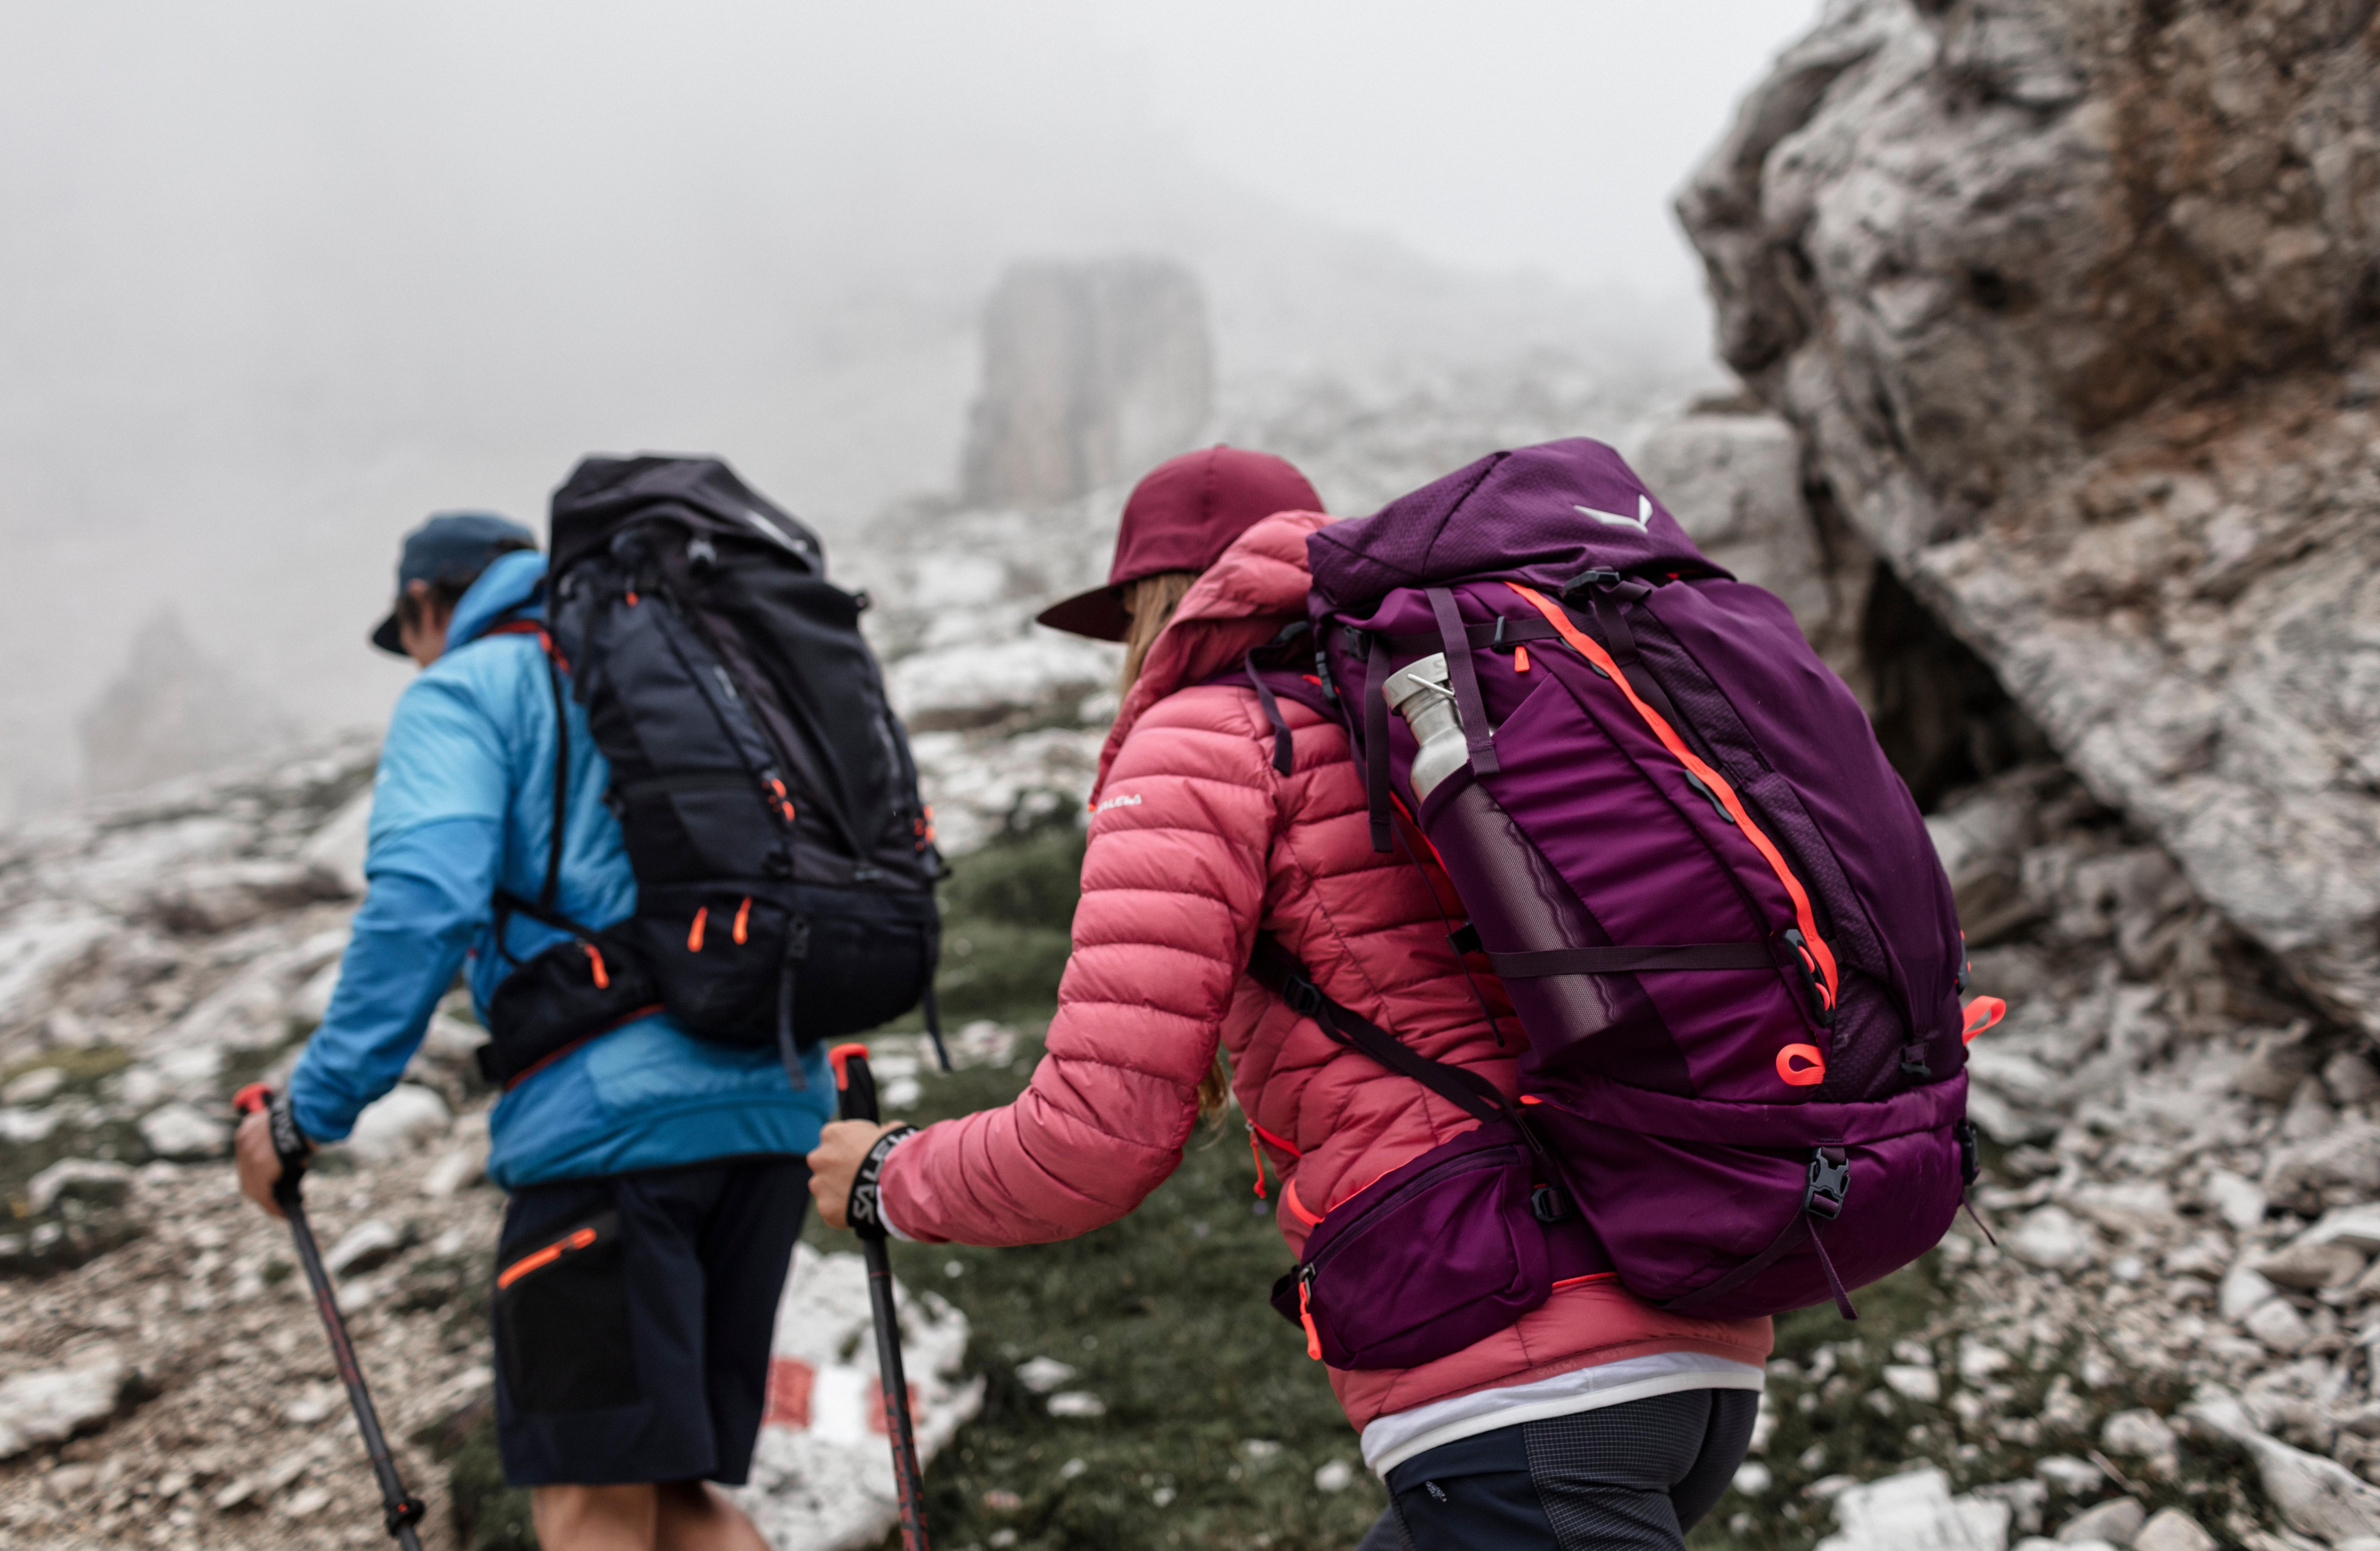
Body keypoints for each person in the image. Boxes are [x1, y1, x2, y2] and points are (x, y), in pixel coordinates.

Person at [806, 445, 1773, 1551]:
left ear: (1160, 604)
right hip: (1689, 1331)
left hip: (1511, 1366)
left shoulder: (1207, 739)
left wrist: (890, 1176)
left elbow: (1097, 1138)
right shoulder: (1439, 697)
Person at [236, 511, 831, 1551]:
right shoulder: (682, 669)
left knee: (591, 1498)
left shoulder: (470, 689)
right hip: (774, 1116)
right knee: (675, 1494)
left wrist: (306, 1115)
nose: (416, 659)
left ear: (427, 605)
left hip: (608, 1132)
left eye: (409, 636)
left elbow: (424, 905)